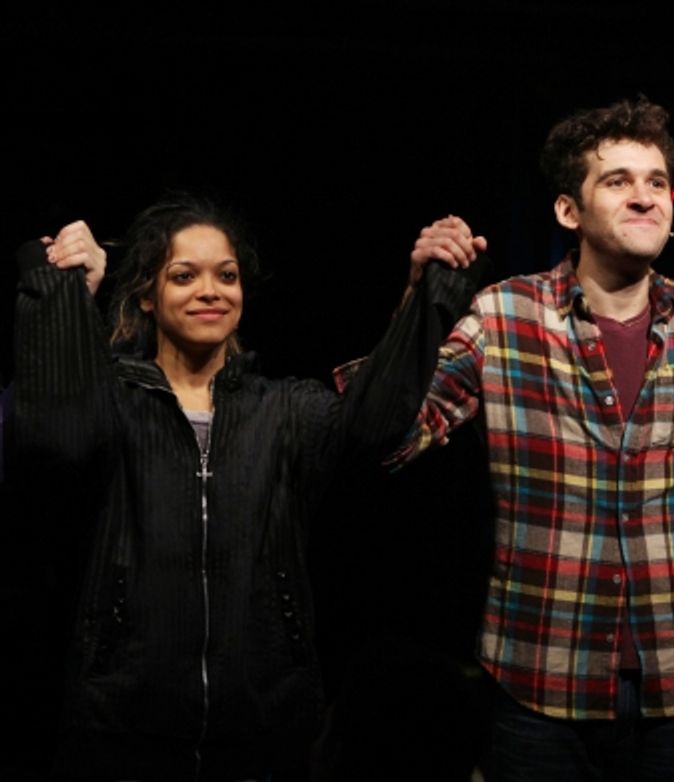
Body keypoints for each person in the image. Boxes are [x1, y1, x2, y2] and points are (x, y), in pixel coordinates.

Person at [387, 97, 674, 781]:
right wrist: (417, 305)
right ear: (568, 211)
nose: (644, 196)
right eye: (618, 181)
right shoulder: (504, 315)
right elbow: (394, 441)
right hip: (539, 673)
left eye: (657, 181)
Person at [8, 195, 479, 780]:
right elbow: (52, 437)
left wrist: (425, 293)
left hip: (263, 729)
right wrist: (64, 293)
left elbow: (376, 425)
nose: (211, 291)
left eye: (226, 276)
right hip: (123, 727)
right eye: (185, 276)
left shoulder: (285, 409)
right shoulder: (109, 405)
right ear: (148, 297)